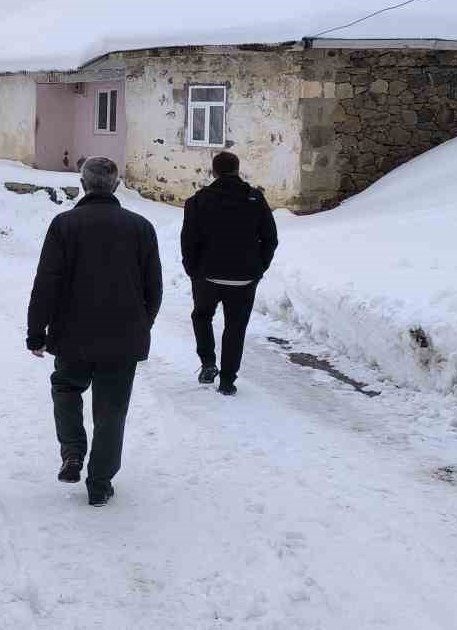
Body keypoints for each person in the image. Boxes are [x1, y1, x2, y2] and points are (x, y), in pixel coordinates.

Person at [26, 156, 163, 507]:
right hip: (123, 338)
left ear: (83, 184)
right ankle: (100, 483)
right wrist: (140, 325)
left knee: (66, 387)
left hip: (72, 335)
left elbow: (47, 283)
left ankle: (72, 452)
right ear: (116, 186)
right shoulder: (141, 227)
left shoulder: (64, 225)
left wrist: (36, 331)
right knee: (112, 411)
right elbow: (154, 288)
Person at [179, 151, 279, 396]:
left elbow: (188, 241)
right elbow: (270, 238)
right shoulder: (255, 199)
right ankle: (227, 381)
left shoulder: (198, 201)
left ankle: (208, 363)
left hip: (207, 276)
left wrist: (193, 270)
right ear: (237, 169)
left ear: (213, 172)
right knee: (236, 327)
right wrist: (258, 268)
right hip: (245, 277)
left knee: (202, 316)